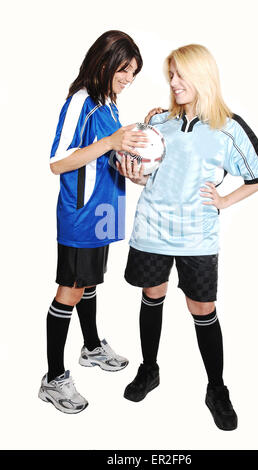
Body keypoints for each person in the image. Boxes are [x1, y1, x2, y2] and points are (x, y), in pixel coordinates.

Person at [117, 44, 258, 431]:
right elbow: (144, 173)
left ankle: (217, 389)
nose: (173, 82)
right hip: (151, 229)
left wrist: (223, 200)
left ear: (202, 75)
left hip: (196, 236)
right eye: (170, 75)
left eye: (180, 74)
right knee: (151, 296)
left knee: (202, 309)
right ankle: (149, 370)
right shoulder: (160, 123)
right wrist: (134, 174)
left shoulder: (228, 126)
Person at [38, 30, 148, 414]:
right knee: (69, 290)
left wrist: (131, 167)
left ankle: (91, 346)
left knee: (89, 282)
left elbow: (107, 156)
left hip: (106, 211)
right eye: (125, 69)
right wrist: (111, 143)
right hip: (80, 214)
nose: (128, 79)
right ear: (104, 62)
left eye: (133, 72)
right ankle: (53, 378)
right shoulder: (81, 101)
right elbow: (58, 161)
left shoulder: (110, 104)